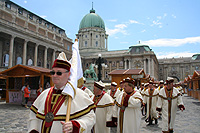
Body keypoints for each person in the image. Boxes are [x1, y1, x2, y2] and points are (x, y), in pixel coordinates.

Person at [28, 51, 96, 133]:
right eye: (53, 72)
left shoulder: (78, 94)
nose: (55, 75)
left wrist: (76, 125)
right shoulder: (44, 94)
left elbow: (90, 118)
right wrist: (33, 129)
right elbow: (33, 116)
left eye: (59, 73)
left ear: (68, 74)